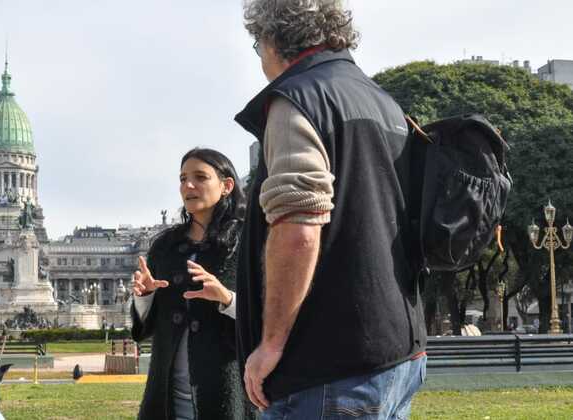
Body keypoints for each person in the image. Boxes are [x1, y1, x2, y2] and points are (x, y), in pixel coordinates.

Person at [234, 1, 427, 418]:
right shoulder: (384, 102)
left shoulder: (297, 101)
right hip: (399, 350)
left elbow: (298, 229)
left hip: (327, 365)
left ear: (272, 39)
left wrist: (271, 344)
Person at [131, 148, 256, 420]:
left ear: (226, 186)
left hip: (226, 392)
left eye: (200, 177)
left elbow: (270, 315)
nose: (188, 185)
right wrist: (145, 297)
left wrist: (226, 299)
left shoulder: (249, 241)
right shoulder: (164, 246)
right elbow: (145, 329)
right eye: (183, 178)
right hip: (167, 398)